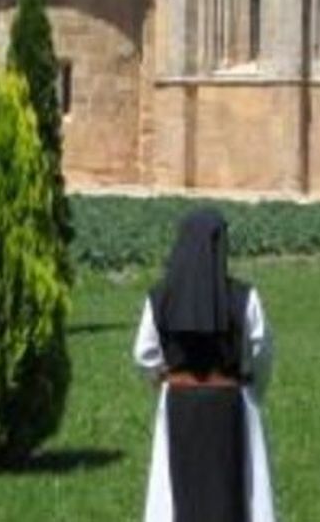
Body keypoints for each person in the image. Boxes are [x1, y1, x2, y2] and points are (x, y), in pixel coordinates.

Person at [133, 208, 275, 522]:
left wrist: (161, 378)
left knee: (175, 494)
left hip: (178, 401)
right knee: (238, 490)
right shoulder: (244, 297)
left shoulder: (159, 298)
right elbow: (261, 351)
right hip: (231, 401)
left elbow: (144, 354)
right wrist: (254, 389)